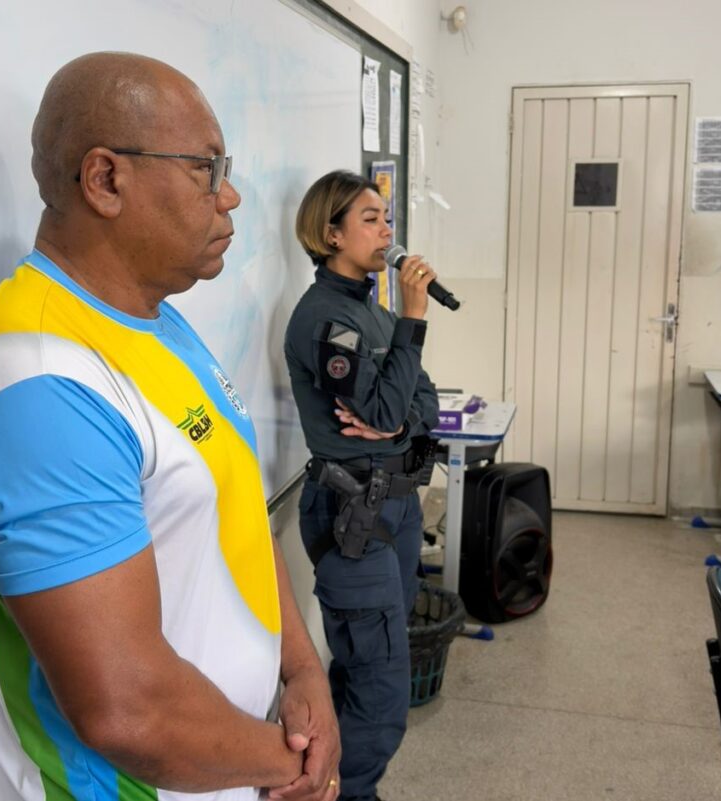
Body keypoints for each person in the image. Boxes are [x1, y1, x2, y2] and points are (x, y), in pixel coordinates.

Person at [0, 52, 339, 801]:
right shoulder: (37, 384)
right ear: (106, 180)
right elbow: (127, 708)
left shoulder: (156, 322)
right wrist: (296, 764)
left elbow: (233, 515)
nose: (232, 197)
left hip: (236, 768)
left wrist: (302, 669)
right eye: (206, 170)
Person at [283, 171, 441, 801]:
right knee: (380, 695)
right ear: (331, 233)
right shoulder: (326, 320)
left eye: (388, 218)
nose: (387, 231)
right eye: (371, 219)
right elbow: (376, 415)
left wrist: (397, 418)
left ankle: (337, 788)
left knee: (366, 669)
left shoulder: (372, 312)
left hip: (396, 509)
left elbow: (420, 404)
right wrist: (414, 322)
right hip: (353, 514)